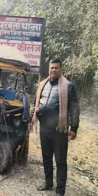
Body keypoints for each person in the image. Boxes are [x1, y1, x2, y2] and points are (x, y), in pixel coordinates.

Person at [29, 58, 80, 196]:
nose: (53, 70)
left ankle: (60, 191)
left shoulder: (68, 86)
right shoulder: (42, 85)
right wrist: (30, 118)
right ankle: (48, 182)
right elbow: (35, 103)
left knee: (60, 160)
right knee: (46, 157)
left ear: (61, 69)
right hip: (44, 128)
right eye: (51, 68)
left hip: (59, 130)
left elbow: (74, 107)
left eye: (56, 68)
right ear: (49, 69)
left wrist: (74, 127)